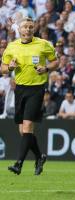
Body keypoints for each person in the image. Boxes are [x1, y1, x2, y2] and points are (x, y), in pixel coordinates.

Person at [1, 17, 58, 175]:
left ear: (34, 29)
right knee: (23, 131)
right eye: (25, 27)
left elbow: (55, 62)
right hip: (20, 89)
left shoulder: (43, 44)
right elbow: (3, 68)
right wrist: (9, 68)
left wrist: (46, 68)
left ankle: (18, 164)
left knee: (27, 127)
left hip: (37, 89)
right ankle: (40, 157)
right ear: (19, 29)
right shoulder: (12, 46)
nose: (27, 29)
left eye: (30, 27)